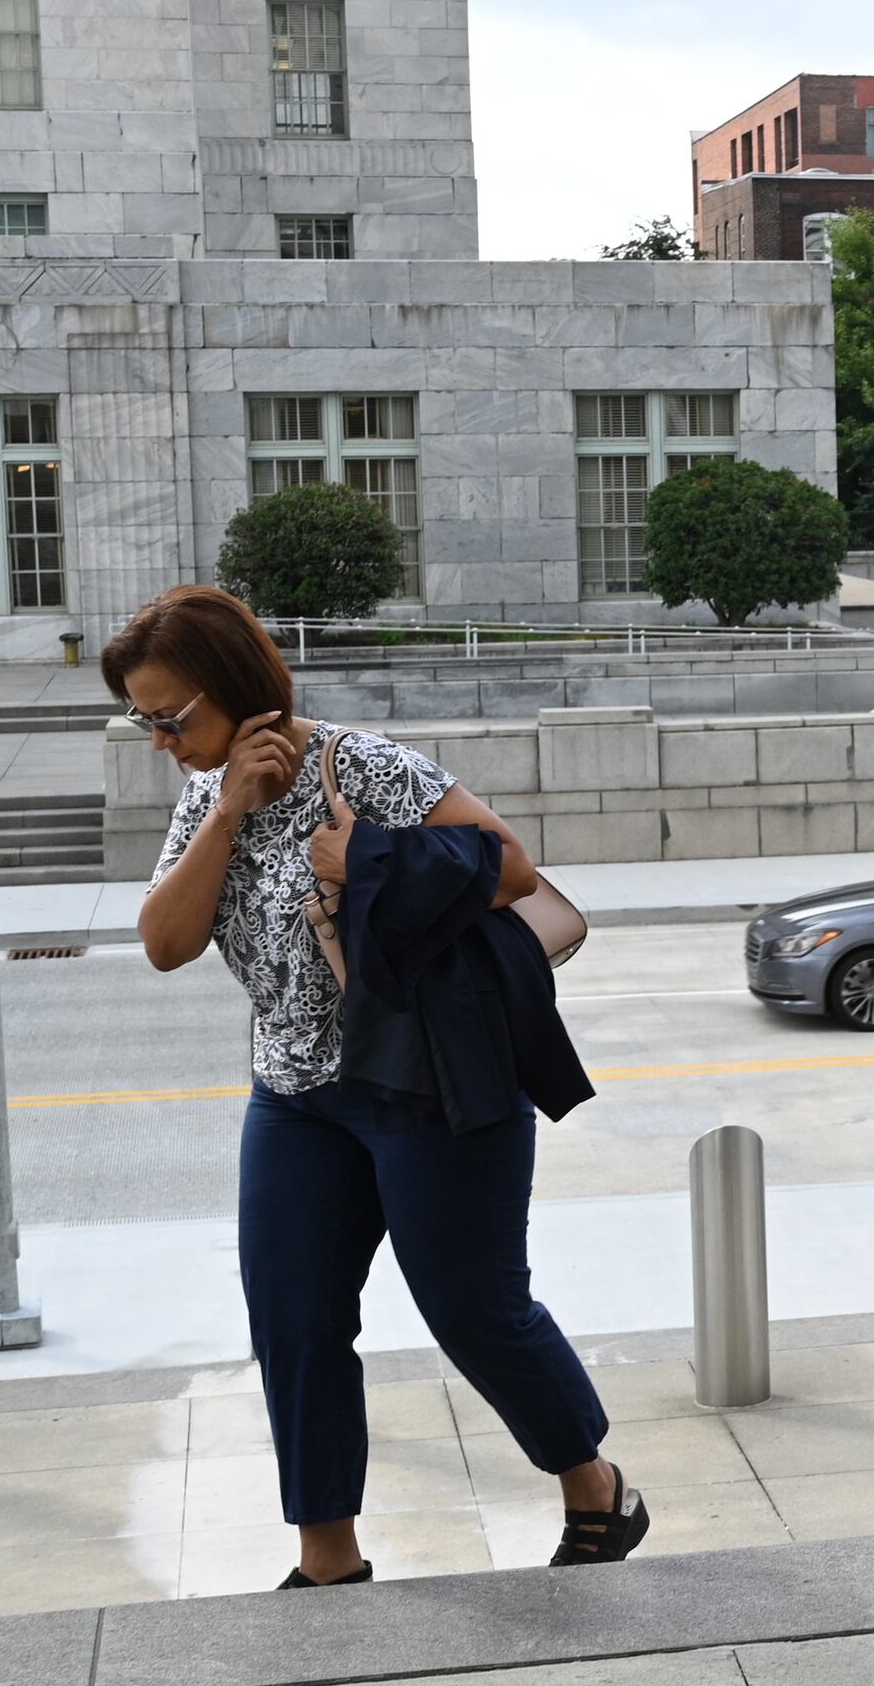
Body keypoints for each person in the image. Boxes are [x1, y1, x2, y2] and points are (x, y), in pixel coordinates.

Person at [113, 584, 646, 1589]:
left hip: (423, 1083)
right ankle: (328, 1557)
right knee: (293, 1315)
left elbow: (511, 867)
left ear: (235, 688)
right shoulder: (202, 795)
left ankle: (596, 1487)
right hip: (293, 1095)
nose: (160, 739)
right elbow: (164, 942)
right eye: (145, 721)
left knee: (473, 1307)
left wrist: (364, 855)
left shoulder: (362, 765)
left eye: (171, 717)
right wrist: (228, 807)